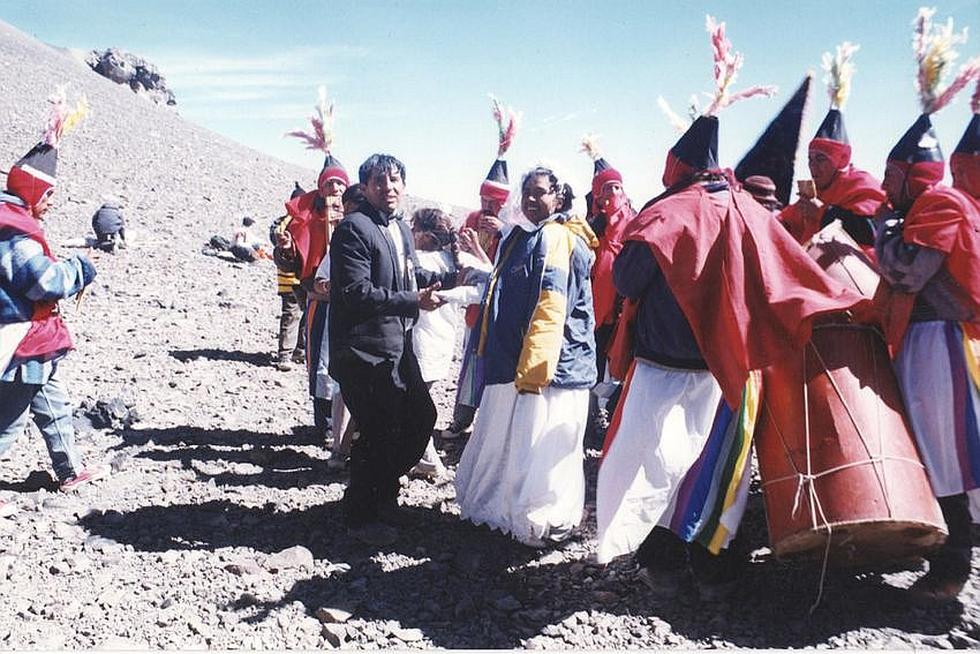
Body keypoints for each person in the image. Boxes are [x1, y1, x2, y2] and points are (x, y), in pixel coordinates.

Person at [596, 16, 866, 599]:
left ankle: (659, 562)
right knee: (717, 473)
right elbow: (786, 272)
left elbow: (628, 277)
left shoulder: (666, 211)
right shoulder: (746, 210)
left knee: (651, 466)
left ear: (676, 166)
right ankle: (713, 569)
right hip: (729, 372)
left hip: (666, 368)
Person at [873, 29, 980, 602]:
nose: (884, 184)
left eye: (892, 175)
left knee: (944, 450)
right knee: (937, 448)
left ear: (913, 175)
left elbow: (909, 274)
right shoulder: (923, 206)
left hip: (939, 342)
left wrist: (876, 237)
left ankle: (953, 567)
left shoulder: (939, 204)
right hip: (925, 340)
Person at [454, 166, 599, 547]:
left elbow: (552, 305)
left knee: (539, 446)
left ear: (559, 198)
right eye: (527, 193)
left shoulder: (558, 239)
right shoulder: (522, 237)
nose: (532, 199)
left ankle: (538, 520)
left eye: (540, 192)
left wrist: (534, 371)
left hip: (548, 370)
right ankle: (503, 510)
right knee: (516, 442)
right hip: (515, 362)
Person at [329, 154, 456, 545]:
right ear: (365, 188)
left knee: (420, 418)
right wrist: (411, 301)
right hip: (363, 352)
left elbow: (406, 274)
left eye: (396, 180)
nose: (389, 188)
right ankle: (360, 514)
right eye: (379, 182)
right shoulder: (354, 228)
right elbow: (354, 291)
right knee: (378, 432)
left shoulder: (400, 226)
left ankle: (382, 495)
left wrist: (448, 280)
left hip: (398, 349)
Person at [0, 91, 107, 513]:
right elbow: (41, 281)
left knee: (54, 405)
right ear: (33, 193)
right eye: (47, 197)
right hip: (21, 341)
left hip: (32, 345)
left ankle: (69, 469)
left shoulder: (12, 225)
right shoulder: (14, 233)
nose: (51, 204)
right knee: (7, 425)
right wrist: (78, 269)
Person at [444, 96, 520, 440]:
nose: (488, 206)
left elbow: (505, 272)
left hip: (500, 312)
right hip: (475, 308)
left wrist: (484, 247)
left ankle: (488, 427)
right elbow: (460, 258)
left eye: (495, 202)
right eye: (485, 199)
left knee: (492, 366)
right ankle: (461, 419)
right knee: (470, 365)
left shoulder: (514, 228)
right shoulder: (473, 220)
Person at [278, 90, 350, 437]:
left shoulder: (356, 217)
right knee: (319, 359)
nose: (335, 188)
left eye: (340, 183)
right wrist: (287, 249)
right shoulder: (305, 219)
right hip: (319, 300)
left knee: (347, 362)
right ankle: (322, 423)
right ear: (321, 187)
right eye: (330, 183)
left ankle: (344, 425)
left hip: (351, 300)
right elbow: (292, 262)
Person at [778, 43, 885, 249]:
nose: (813, 167)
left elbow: (871, 230)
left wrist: (822, 213)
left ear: (841, 160)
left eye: (821, 160)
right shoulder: (816, 192)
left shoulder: (861, 185)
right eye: (810, 159)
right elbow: (785, 220)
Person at [579, 135, 636, 445]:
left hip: (621, 310)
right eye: (606, 189)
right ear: (598, 196)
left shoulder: (634, 222)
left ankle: (615, 427)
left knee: (620, 370)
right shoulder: (593, 225)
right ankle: (588, 424)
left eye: (617, 187)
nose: (613, 193)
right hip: (592, 311)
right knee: (590, 366)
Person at [270, 182, 308, 371]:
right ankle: (286, 354)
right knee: (294, 315)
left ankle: (297, 350)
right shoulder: (290, 221)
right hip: (293, 278)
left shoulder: (283, 220)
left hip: (293, 278)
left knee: (299, 316)